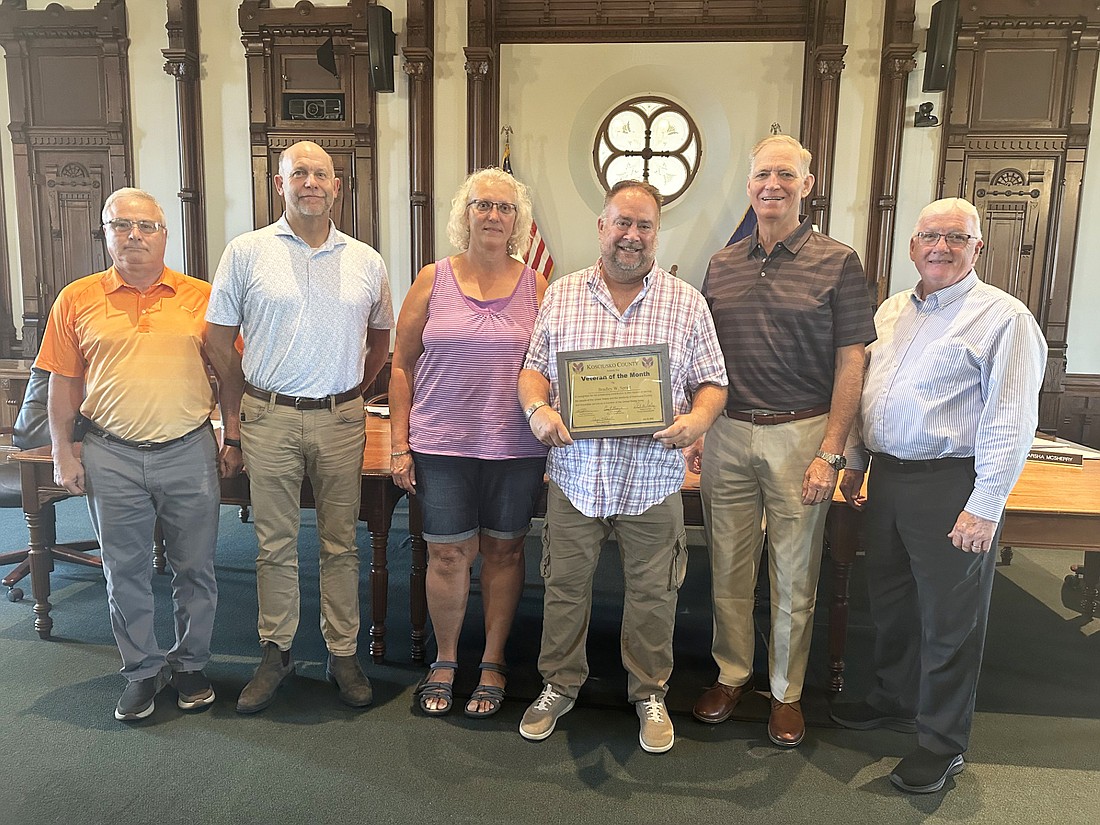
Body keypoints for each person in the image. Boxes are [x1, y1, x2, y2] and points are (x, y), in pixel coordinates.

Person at [831, 197, 1047, 794]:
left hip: (953, 483)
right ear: (912, 246)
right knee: (892, 601)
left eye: (956, 237)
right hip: (889, 478)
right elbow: (869, 393)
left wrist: (986, 503)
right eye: (930, 236)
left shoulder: (1004, 318)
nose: (941, 247)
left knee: (950, 620)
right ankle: (893, 697)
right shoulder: (894, 309)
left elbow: (1010, 418)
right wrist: (855, 459)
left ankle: (941, 742)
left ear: (977, 247)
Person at [517, 180, 728, 754]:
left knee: (654, 593)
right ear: (601, 227)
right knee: (563, 587)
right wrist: (537, 409)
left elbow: (713, 382)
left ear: (657, 233)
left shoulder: (687, 303)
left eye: (643, 226)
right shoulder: (560, 295)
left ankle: (649, 692)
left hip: (652, 479)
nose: (631, 236)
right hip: (577, 476)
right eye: (622, 223)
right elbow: (533, 369)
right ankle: (558, 684)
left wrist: (699, 421)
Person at [691, 134, 876, 748]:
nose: (773, 185)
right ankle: (732, 674)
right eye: (763, 175)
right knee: (729, 567)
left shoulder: (839, 261)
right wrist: (696, 426)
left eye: (786, 175)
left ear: (806, 184)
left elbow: (853, 363)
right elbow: (703, 357)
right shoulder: (722, 263)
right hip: (727, 432)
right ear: (749, 187)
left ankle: (786, 692)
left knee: (795, 574)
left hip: (802, 435)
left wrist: (832, 451)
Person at [204, 140, 394, 714]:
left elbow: (381, 339)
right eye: (298, 173)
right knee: (274, 544)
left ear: (338, 187)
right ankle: (276, 650)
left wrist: (352, 391)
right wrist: (237, 416)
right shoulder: (246, 251)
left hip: (340, 418)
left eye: (321, 174)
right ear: (279, 184)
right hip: (269, 417)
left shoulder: (366, 260)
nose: (311, 182)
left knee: (342, 543)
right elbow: (216, 338)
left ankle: (342, 653)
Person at [38, 187, 227, 721]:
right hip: (110, 454)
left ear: (166, 236)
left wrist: (229, 434)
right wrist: (62, 451)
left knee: (197, 569)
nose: (135, 235)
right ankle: (142, 670)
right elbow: (64, 382)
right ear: (106, 233)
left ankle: (191, 664)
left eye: (146, 226)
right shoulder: (76, 298)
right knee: (125, 571)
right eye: (122, 225)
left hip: (188, 450)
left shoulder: (202, 296)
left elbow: (232, 374)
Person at [389, 168, 548, 718]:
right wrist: (399, 445)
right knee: (448, 553)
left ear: (518, 221)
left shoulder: (536, 285)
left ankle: (494, 661)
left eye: (505, 208)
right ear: (466, 214)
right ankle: (447, 659)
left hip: (515, 448)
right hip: (443, 445)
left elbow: (550, 368)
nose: (494, 216)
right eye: (483, 205)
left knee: (504, 552)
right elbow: (402, 367)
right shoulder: (433, 279)